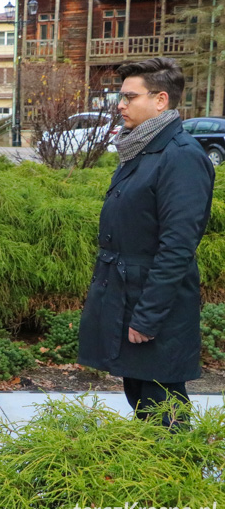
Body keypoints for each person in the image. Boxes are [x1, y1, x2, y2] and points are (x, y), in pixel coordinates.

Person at [77, 57, 215, 428]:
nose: (120, 105)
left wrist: (148, 316)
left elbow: (178, 246)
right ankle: (159, 480)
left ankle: (179, 482)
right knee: (142, 398)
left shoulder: (181, 157)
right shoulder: (140, 149)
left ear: (160, 100)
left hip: (154, 304)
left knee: (164, 412)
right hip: (127, 293)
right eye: (119, 97)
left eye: (129, 96)